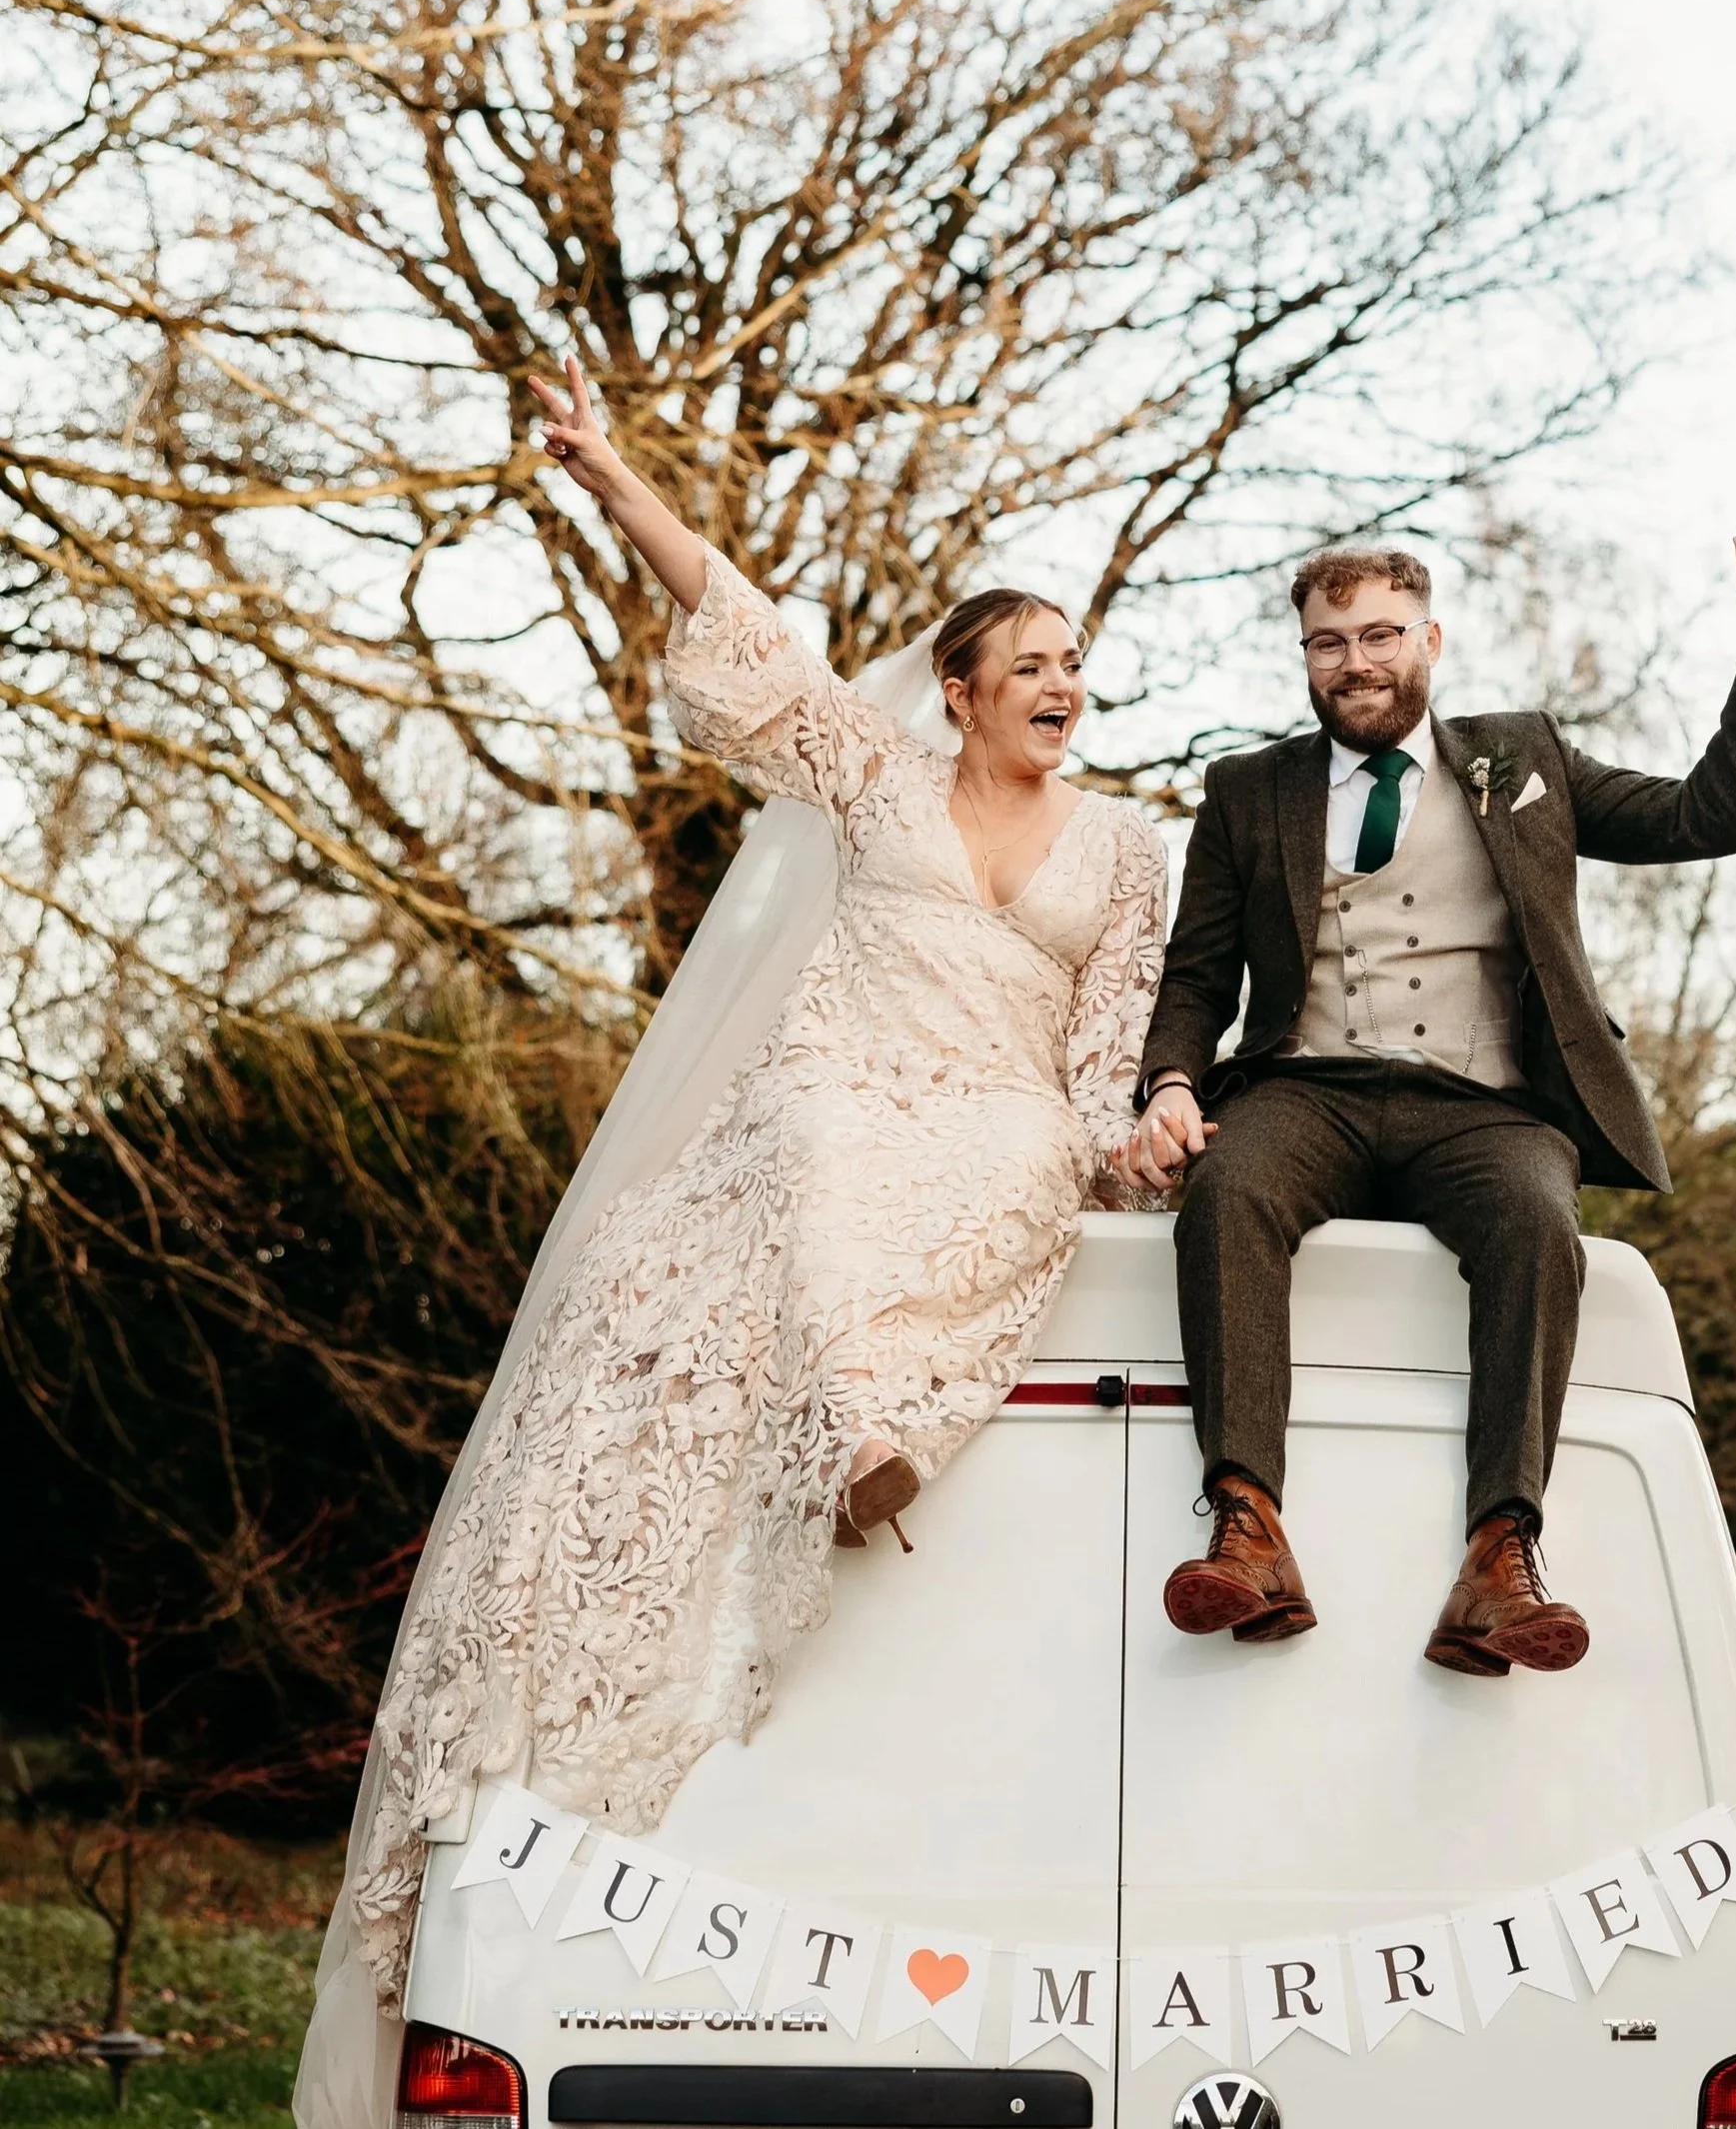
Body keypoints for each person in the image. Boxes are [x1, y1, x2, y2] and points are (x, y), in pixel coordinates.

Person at [316, 360, 1168, 2031]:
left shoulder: (1128, 847)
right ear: (961, 683)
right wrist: (612, 476)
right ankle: (848, 1432)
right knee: (818, 1156)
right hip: (836, 1080)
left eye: (1077, 661)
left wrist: (1122, 1138)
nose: (1064, 681)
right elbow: (746, 623)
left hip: (1001, 1109)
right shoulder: (875, 776)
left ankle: (863, 1419)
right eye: (1034, 660)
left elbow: (1106, 1035)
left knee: (1012, 1167)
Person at [1117, 534, 1736, 1674]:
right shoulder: (1247, 792)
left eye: (1379, 635)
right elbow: (1199, 974)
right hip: (1307, 1092)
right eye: (1328, 642)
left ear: (1430, 640)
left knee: (1540, 1224)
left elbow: (1709, 818)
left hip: (1483, 1104)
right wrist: (1167, 1085)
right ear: (1305, 655)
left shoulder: (1525, 757)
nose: (1354, 661)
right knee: (1229, 1187)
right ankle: (1248, 1526)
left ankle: (1501, 1559)